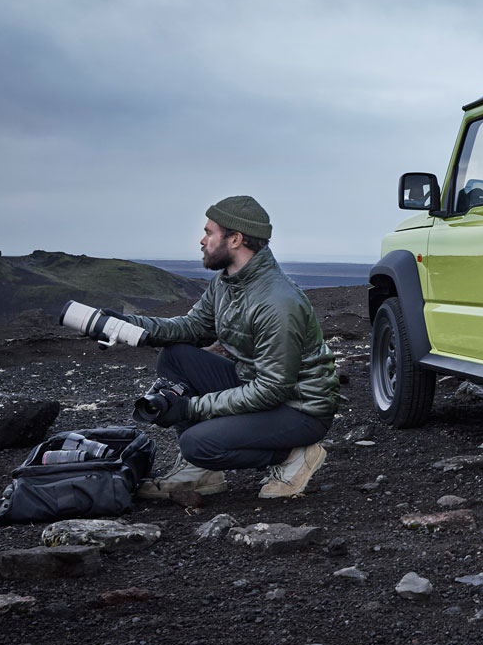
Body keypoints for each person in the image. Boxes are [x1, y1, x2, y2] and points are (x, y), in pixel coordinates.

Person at [123, 196, 340, 500]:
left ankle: (292, 455)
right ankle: (201, 473)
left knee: (198, 444)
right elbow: (193, 328)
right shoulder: (227, 282)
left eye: (209, 233)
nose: (202, 240)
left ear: (236, 239)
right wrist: (126, 327)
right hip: (257, 386)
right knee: (176, 356)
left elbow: (273, 389)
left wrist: (191, 408)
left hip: (300, 409)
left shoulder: (277, 302)